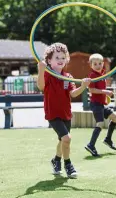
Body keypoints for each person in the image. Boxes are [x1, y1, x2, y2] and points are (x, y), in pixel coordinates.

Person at [37, 42, 91, 178]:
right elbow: (41, 87)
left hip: (66, 113)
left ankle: (56, 160)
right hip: (53, 113)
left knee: (62, 140)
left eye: (63, 57)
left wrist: (84, 86)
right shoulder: (47, 74)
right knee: (67, 138)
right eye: (57, 58)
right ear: (49, 60)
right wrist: (41, 70)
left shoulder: (68, 76)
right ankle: (68, 165)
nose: (61, 60)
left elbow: (73, 93)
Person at [85, 53, 116, 157]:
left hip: (101, 104)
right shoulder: (92, 76)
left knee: (115, 118)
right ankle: (91, 145)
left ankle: (108, 139)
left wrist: (105, 95)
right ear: (91, 65)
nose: (98, 66)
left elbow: (101, 89)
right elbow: (91, 90)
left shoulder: (102, 74)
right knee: (100, 123)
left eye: (100, 63)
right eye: (95, 64)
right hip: (95, 104)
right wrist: (105, 92)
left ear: (103, 64)